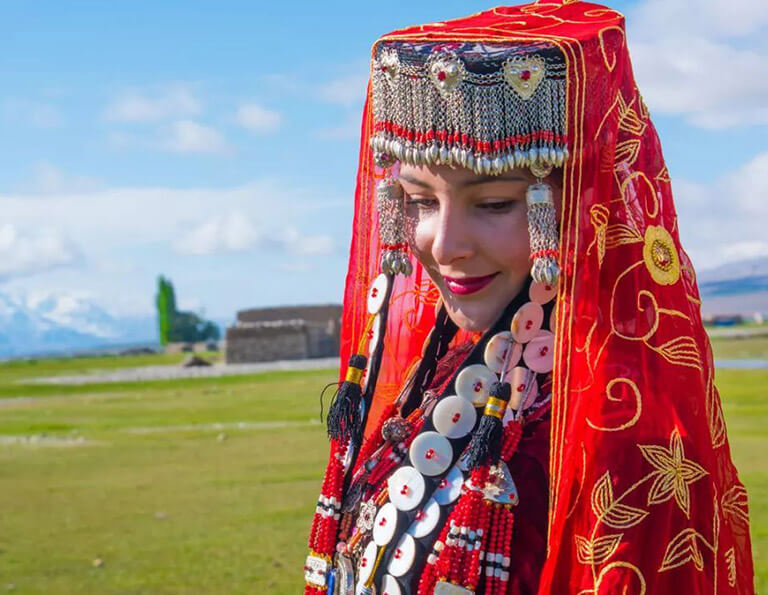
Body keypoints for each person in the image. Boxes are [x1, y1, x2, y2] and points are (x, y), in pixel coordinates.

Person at [304, 2, 755, 593]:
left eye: (493, 204)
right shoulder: (439, 375)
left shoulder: (621, 432)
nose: (445, 246)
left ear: (584, 203)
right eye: (419, 201)